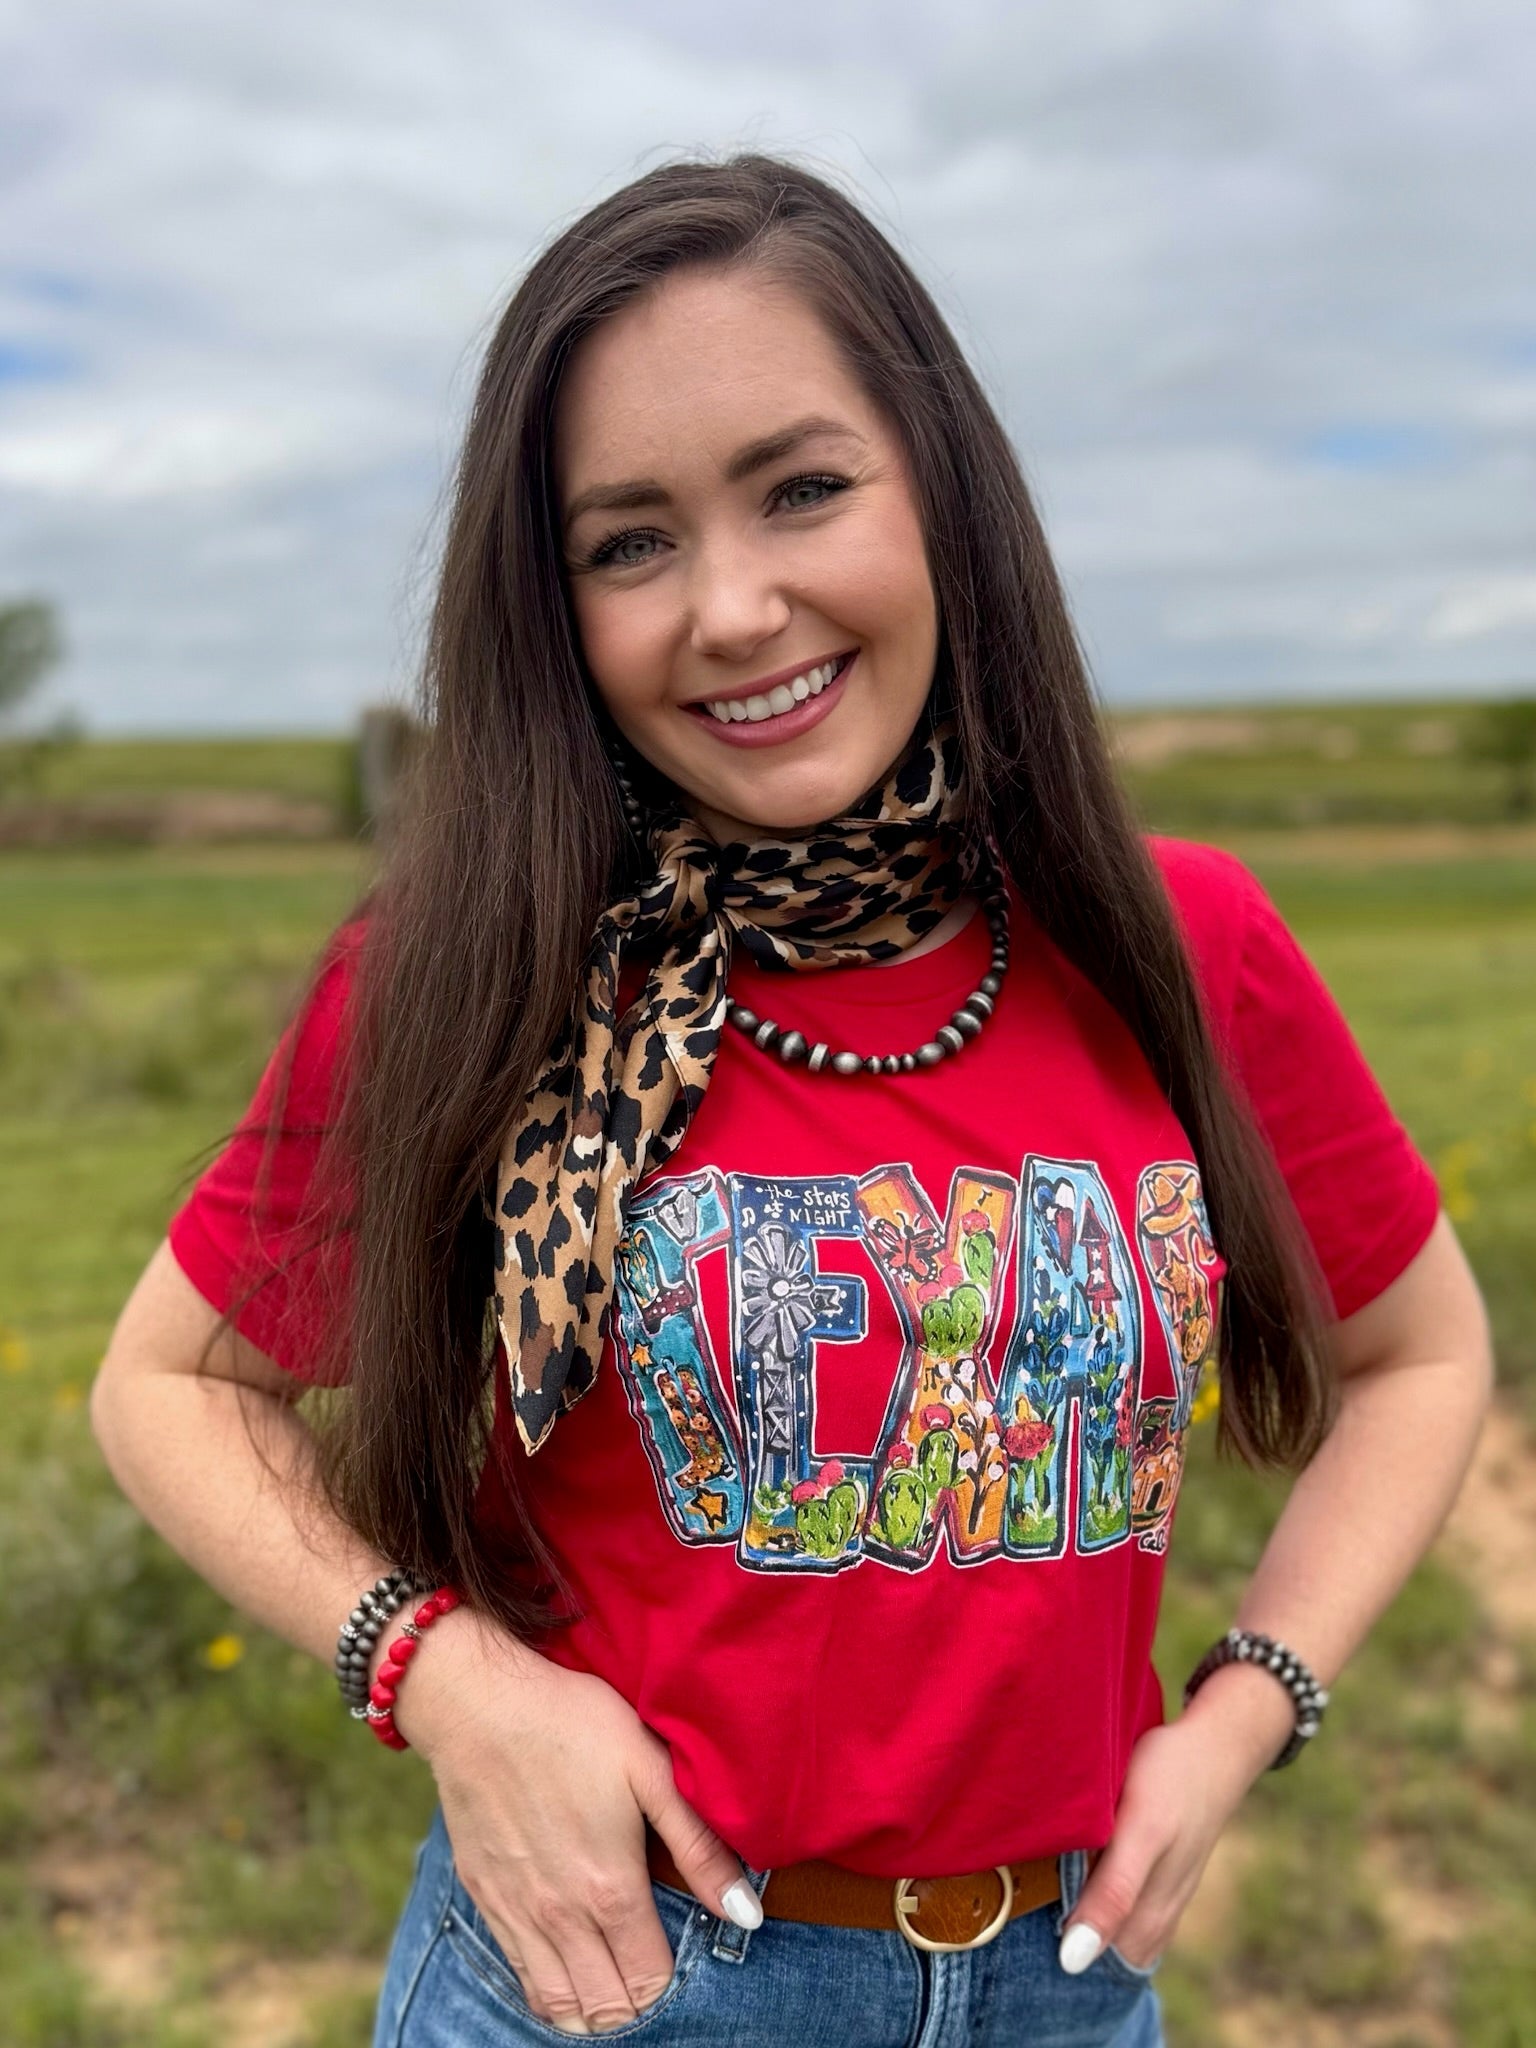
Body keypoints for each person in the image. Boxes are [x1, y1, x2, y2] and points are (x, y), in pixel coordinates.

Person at [90, 153, 1494, 2048]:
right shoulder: (481, 966)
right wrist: (447, 1683)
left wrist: (1251, 1704)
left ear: (943, 496)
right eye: (630, 544)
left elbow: (1421, 1355)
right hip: (619, 1985)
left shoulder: (1176, 942)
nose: (736, 608)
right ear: (554, 607)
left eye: (804, 489)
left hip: (1068, 1991)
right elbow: (169, 1388)